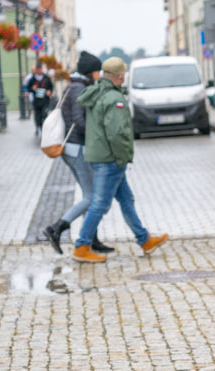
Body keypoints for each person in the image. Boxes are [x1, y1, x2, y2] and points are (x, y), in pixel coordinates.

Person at [72, 57, 168, 263]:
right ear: (120, 76)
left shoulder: (96, 93)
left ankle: (144, 240)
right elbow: (116, 133)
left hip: (100, 155)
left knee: (126, 199)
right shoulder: (114, 99)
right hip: (110, 158)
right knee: (99, 204)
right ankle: (81, 246)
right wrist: (123, 157)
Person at [42, 51, 114, 256]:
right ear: (90, 72)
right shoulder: (78, 89)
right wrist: (99, 133)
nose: (99, 75)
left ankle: (92, 239)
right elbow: (79, 122)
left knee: (89, 194)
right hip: (76, 149)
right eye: (97, 71)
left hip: (74, 148)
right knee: (91, 196)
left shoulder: (76, 86)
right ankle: (56, 228)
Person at [26, 63, 54, 136]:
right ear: (36, 70)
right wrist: (32, 89)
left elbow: (51, 87)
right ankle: (38, 126)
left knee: (44, 114)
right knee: (38, 116)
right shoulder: (32, 79)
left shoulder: (46, 78)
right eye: (37, 69)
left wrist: (49, 91)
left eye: (40, 68)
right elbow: (28, 88)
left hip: (45, 100)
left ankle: (44, 129)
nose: (39, 70)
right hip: (36, 101)